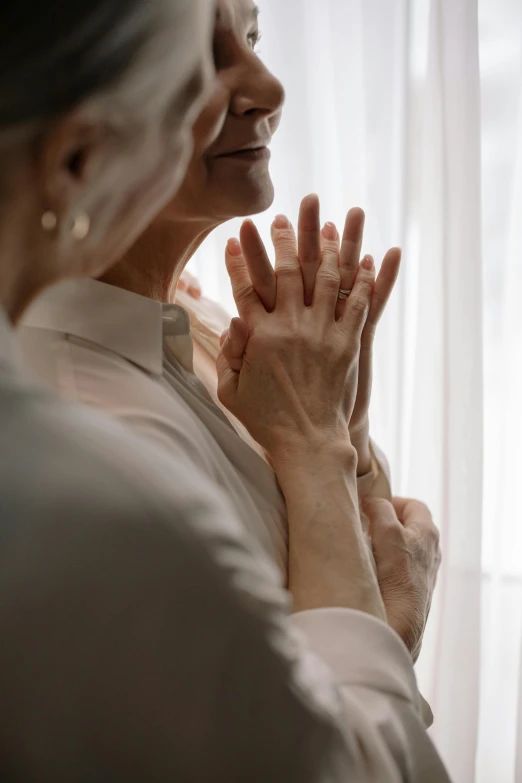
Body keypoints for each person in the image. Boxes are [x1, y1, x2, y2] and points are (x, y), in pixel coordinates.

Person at [15, 1, 450, 780]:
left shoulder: (203, 326)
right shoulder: (116, 458)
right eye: (198, 56)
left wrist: (340, 422)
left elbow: (374, 517)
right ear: (77, 146)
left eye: (252, 36)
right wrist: (387, 621)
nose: (269, 86)